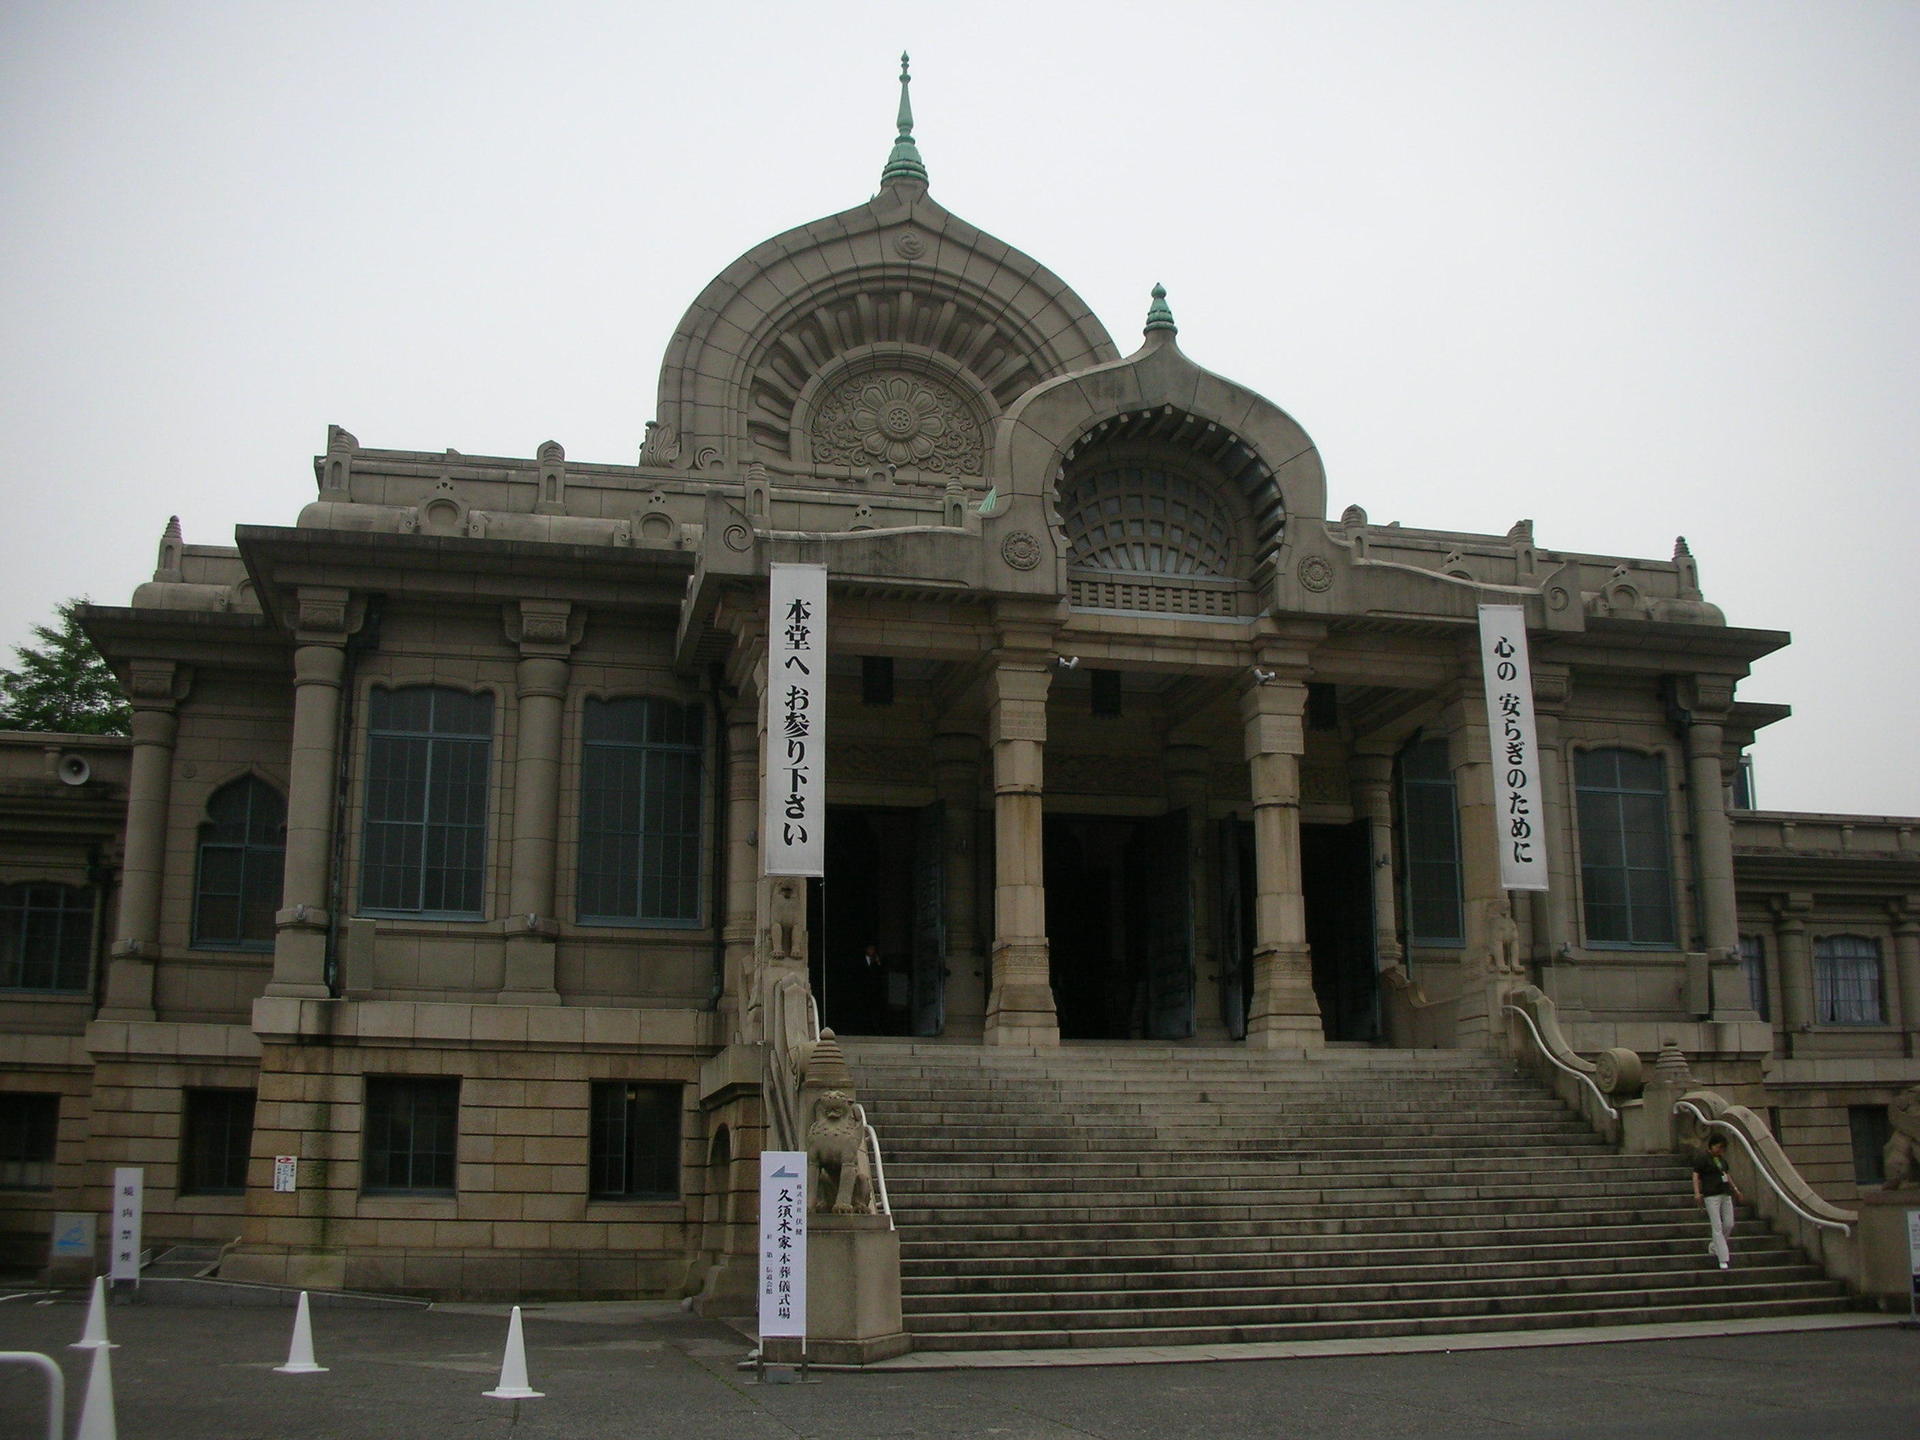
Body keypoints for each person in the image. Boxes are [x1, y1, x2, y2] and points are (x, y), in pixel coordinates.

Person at [1692, 1134, 1745, 1270]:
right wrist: (1697, 1192)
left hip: (1725, 1192)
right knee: (1717, 1226)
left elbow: (1726, 1174)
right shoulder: (1703, 1159)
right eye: (1719, 1147)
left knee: (1729, 1223)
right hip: (1711, 1194)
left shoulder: (1721, 1160)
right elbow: (1696, 1175)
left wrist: (1735, 1190)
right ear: (1712, 1145)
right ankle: (1723, 1258)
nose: (1720, 1150)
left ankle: (1715, 1246)